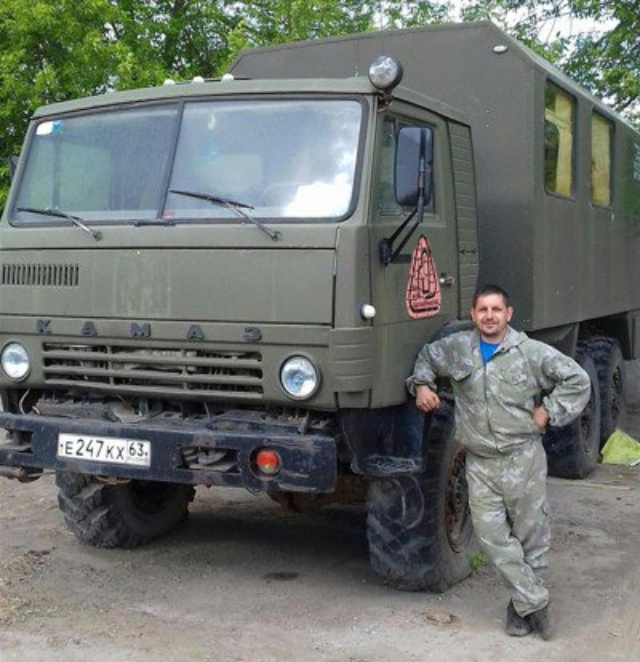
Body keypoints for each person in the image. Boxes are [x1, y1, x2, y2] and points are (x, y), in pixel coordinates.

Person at [406, 284, 591, 639]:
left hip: (523, 458)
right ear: (473, 315)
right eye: (483, 310)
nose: (489, 316)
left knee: (531, 537)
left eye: (496, 310)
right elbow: (426, 358)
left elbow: (577, 380)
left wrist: (549, 411)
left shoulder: (531, 353)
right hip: (480, 462)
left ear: (508, 314)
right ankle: (535, 601)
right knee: (491, 537)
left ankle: (519, 610)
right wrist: (422, 386)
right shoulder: (458, 348)